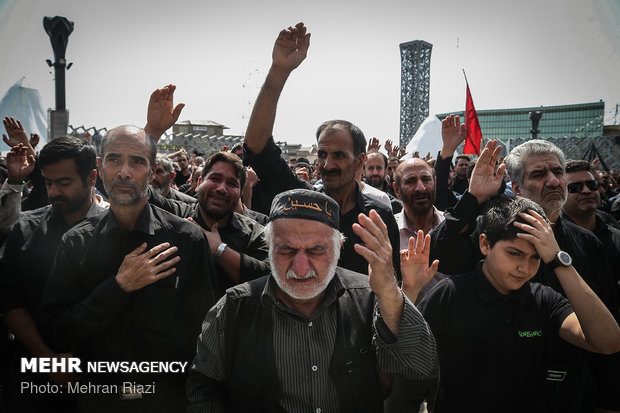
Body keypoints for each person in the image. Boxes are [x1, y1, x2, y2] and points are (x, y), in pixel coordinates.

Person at [187, 189, 437, 412]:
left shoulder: (368, 299)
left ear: (339, 250)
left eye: (316, 251)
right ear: (268, 248)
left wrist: (389, 292)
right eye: (287, 251)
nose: (301, 267)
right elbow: (203, 388)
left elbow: (418, 365)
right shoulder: (234, 308)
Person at [430, 137, 618, 412]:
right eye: (539, 174)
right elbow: (440, 254)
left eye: (558, 172)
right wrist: (473, 199)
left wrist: (611, 401)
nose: (553, 181)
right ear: (516, 187)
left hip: (572, 395)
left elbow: (607, 326)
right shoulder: (492, 230)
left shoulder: (587, 243)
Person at [41, 125, 218, 412]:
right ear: (99, 168)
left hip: (169, 401)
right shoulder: (76, 242)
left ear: (151, 170)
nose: (124, 172)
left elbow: (205, 334)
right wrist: (118, 287)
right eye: (114, 160)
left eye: (137, 161)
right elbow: (56, 333)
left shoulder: (186, 240)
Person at [242, 22, 401, 278]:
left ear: (360, 160)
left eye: (339, 155)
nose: (327, 165)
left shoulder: (377, 218)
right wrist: (279, 70)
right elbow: (257, 145)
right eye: (323, 154)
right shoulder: (299, 200)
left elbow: (391, 285)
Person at [0, 136, 108, 412]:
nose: (54, 193)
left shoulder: (115, 232)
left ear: (92, 177)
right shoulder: (24, 230)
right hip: (33, 374)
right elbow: (11, 303)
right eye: (48, 183)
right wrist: (47, 359)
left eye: (64, 183)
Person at [148, 150, 270, 297]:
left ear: (240, 194)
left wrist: (219, 250)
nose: (221, 188)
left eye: (232, 183)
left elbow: (269, 279)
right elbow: (134, 192)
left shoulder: (255, 234)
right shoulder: (174, 214)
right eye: (215, 178)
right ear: (199, 183)